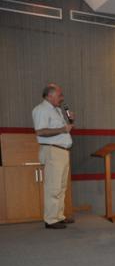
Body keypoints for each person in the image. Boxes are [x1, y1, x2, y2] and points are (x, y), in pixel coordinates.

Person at [32, 83, 74, 229]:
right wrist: (63, 129)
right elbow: (41, 132)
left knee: (61, 187)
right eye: (59, 95)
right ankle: (51, 220)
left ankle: (59, 216)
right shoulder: (41, 110)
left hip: (62, 151)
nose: (61, 98)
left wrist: (68, 123)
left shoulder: (56, 110)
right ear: (50, 95)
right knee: (53, 187)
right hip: (52, 151)